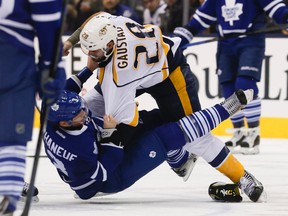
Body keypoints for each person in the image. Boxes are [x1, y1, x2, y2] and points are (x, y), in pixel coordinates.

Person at [43, 88, 266, 203]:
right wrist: (111, 135)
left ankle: (180, 162)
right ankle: (226, 110)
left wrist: (87, 67)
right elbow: (87, 189)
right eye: (79, 114)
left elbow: (69, 87)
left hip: (101, 147)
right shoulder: (77, 148)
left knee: (163, 117)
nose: (85, 112)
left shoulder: (58, 120)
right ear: (64, 123)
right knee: (169, 136)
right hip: (110, 175)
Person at [173, 0, 288, 155]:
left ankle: (253, 132)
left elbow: (275, 8)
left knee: (245, 83)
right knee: (228, 88)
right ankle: (239, 131)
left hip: (250, 42)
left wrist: (286, 17)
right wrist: (177, 41)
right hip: (226, 44)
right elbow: (198, 21)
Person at [0, 1, 67, 215]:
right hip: (11, 55)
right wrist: (51, 67)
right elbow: (47, 21)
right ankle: (7, 188)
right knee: (12, 131)